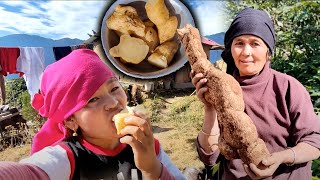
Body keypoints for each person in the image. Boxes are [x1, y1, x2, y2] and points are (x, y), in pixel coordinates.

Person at [0, 49, 185, 180]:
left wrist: (152, 168)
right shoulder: (67, 159)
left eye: (113, 87)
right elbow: (25, 173)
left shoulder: (148, 147)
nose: (113, 103)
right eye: (92, 100)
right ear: (71, 120)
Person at [191, 7, 320, 180]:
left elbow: (314, 142)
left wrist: (281, 157)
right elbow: (209, 156)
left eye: (255, 43)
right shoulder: (221, 89)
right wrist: (210, 109)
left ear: (268, 51)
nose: (246, 52)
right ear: (231, 49)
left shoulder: (288, 87)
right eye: (239, 43)